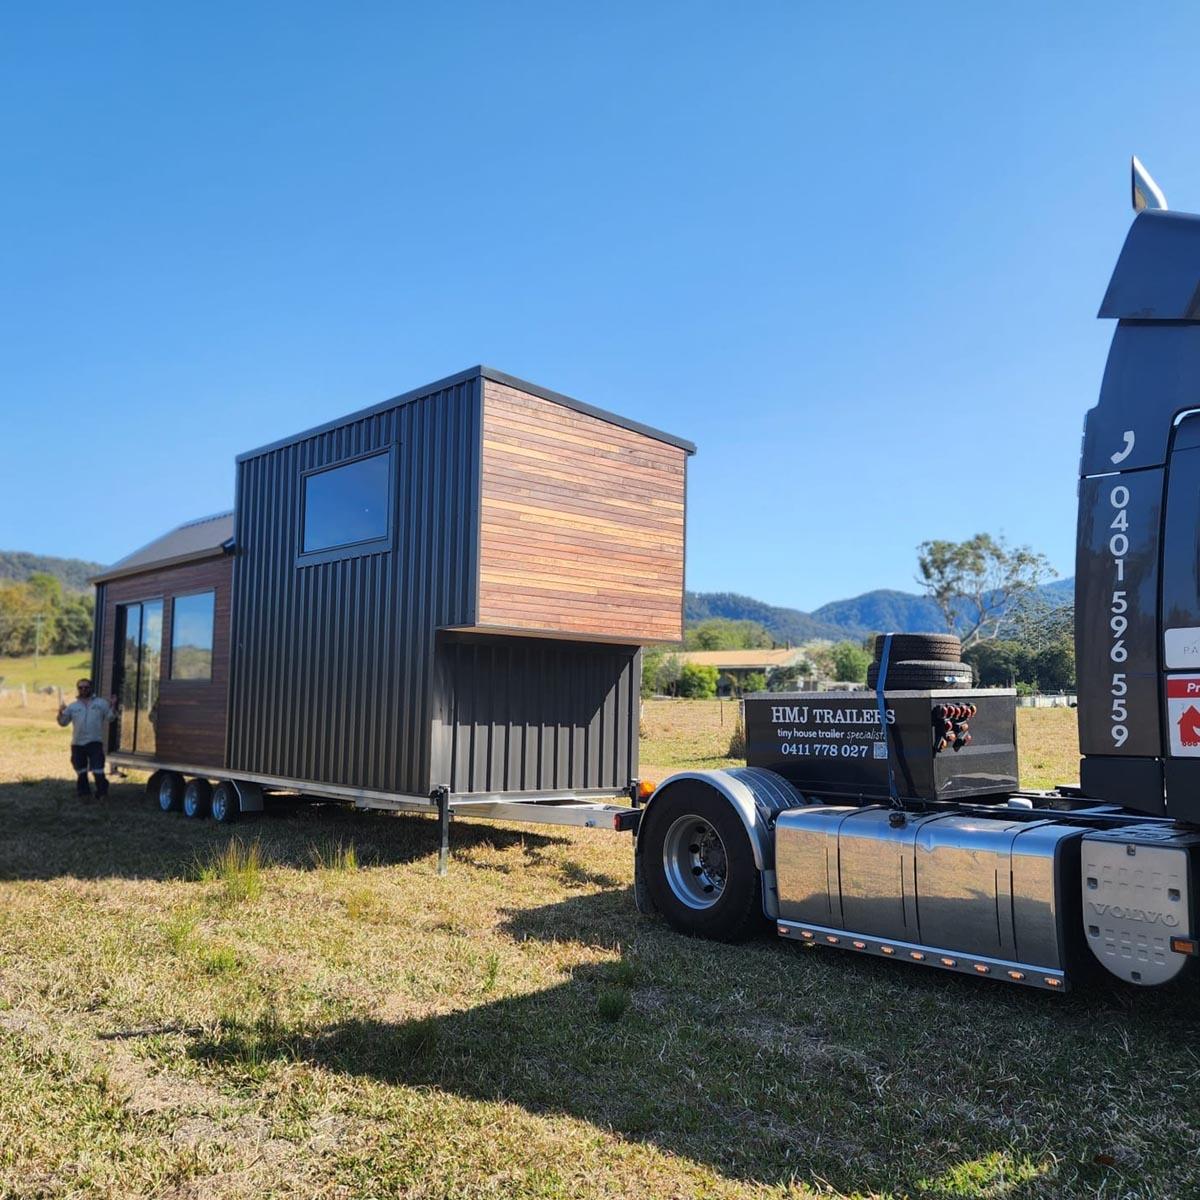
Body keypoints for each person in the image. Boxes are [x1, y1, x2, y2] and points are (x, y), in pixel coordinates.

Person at [57, 679, 119, 798]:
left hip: (94, 742)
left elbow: (110, 717)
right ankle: (84, 793)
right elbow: (63, 723)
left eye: (86, 687)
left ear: (91, 688)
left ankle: (102, 793)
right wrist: (60, 713)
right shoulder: (73, 706)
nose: (83, 690)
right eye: (81, 688)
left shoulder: (101, 703)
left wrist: (113, 705)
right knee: (81, 771)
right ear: (78, 689)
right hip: (77, 743)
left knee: (98, 770)